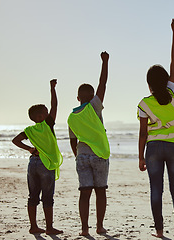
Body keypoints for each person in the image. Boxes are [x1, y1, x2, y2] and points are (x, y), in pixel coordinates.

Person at [138, 19, 174, 238]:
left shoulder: (144, 103)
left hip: (154, 149)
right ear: (167, 79)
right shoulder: (172, 92)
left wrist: (140, 156)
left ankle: (159, 231)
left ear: (148, 83)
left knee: (156, 190)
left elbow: (143, 133)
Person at [12, 79, 63, 235]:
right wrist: (52, 88)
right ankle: (49, 228)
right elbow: (55, 105)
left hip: (33, 164)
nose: (50, 113)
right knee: (48, 197)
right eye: (46, 112)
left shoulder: (30, 130)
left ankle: (33, 226)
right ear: (42, 115)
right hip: (45, 164)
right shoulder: (47, 124)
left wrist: (30, 149)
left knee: (33, 195)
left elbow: (15, 140)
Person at [67, 51, 110, 236]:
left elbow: (72, 140)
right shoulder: (95, 106)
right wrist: (105, 62)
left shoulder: (72, 117)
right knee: (100, 192)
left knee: (84, 193)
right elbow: (103, 83)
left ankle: (84, 229)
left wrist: (77, 155)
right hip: (99, 154)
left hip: (82, 155)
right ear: (93, 97)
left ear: (78, 98)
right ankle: (99, 227)